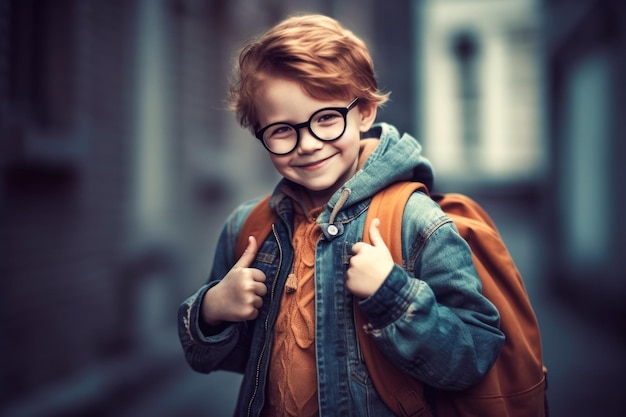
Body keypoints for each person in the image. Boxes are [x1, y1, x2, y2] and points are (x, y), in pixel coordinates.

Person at [178, 14, 505, 417]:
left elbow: (473, 354)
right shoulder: (249, 229)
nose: (309, 144)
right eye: (282, 130)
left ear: (365, 111)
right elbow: (215, 359)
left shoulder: (416, 221)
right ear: (259, 132)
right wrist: (212, 310)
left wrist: (392, 295)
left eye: (327, 119)